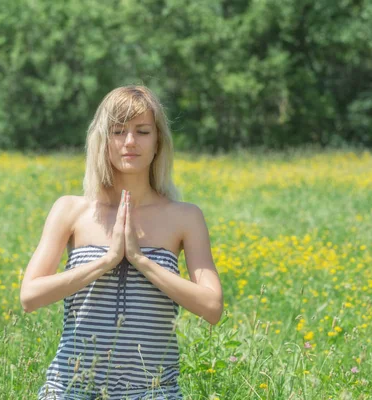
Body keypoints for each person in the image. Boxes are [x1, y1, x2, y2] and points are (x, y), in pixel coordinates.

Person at [20, 85, 224, 400]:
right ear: (103, 141)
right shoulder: (71, 210)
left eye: (142, 131)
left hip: (154, 392)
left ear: (158, 142)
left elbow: (212, 307)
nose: (130, 142)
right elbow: (29, 297)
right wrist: (107, 260)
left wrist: (141, 260)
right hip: (70, 390)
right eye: (118, 131)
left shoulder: (185, 217)